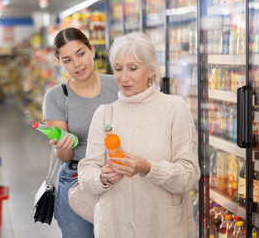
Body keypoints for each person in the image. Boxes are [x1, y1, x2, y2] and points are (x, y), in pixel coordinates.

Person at [78, 33, 201, 238]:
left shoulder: (174, 109)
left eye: (133, 68)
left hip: (164, 228)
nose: (123, 77)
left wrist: (148, 168)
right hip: (114, 228)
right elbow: (86, 174)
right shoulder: (104, 113)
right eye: (118, 69)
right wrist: (102, 177)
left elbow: (189, 175)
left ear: (151, 69)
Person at [42, 27, 119, 237]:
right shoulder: (56, 97)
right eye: (67, 60)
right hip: (76, 180)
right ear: (59, 62)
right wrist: (61, 145)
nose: (77, 64)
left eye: (81, 54)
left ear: (91, 49)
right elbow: (64, 157)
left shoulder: (118, 85)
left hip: (118, 177)